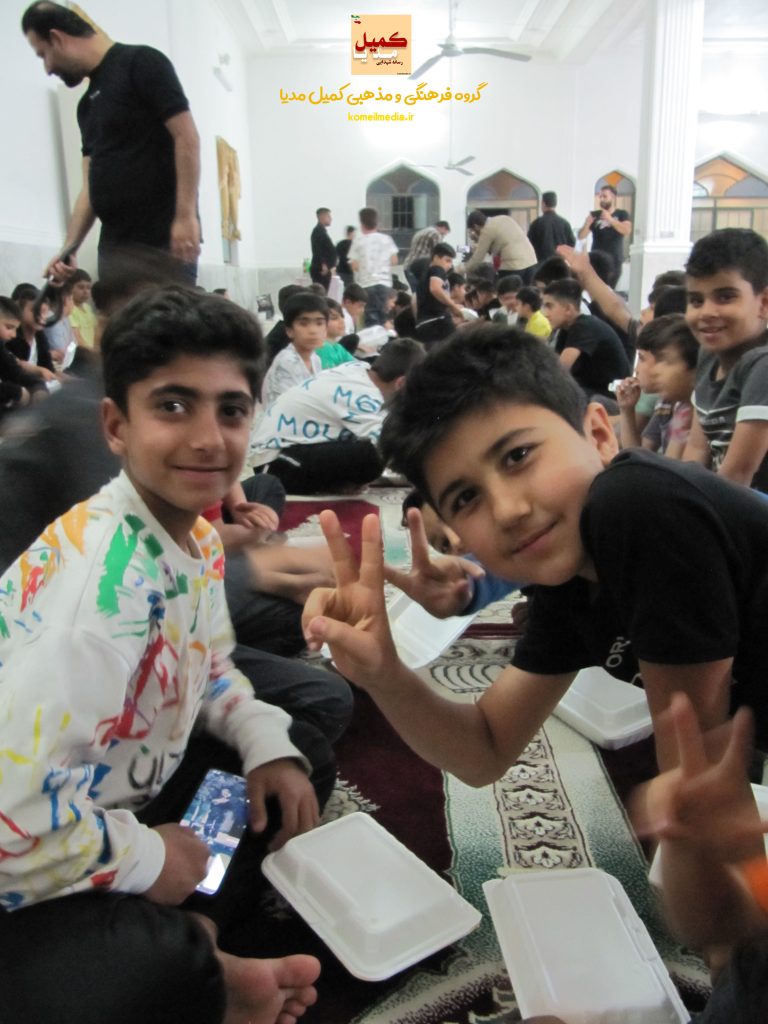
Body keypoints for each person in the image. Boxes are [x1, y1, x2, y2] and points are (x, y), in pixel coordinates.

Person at [0, 286, 322, 1024]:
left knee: (291, 760)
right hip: (23, 847)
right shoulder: (90, 613)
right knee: (138, 970)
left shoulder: (195, 538)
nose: (209, 439)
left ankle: (197, 935)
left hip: (109, 800)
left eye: (231, 410)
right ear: (116, 425)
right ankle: (191, 953)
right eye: (173, 406)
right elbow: (10, 825)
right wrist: (150, 858)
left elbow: (210, 670)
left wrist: (263, 743)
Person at [303, 324, 768, 804]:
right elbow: (484, 750)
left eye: (518, 456)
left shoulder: (638, 504)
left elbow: (700, 790)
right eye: (466, 498)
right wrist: (385, 675)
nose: (507, 511)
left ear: (599, 434)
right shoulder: (570, 581)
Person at [22, 1, 201, 281]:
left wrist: (185, 216)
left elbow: (186, 137)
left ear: (57, 38)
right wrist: (70, 246)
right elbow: (90, 188)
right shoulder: (85, 107)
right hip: (115, 250)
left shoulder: (141, 63)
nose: (47, 68)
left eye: (43, 54)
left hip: (162, 243)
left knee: (168, 312)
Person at [249, 337, 425, 493]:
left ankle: (331, 484)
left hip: (287, 449)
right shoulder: (364, 396)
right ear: (401, 383)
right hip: (273, 463)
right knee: (372, 458)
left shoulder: (358, 369)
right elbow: (391, 447)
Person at [681, 228, 768, 491]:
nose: (707, 312)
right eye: (696, 301)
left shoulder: (763, 365)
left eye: (725, 297)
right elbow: (696, 449)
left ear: (764, 303)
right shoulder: (708, 355)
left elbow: (738, 475)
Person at [615, 314, 697, 456]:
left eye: (642, 358)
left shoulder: (691, 410)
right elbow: (640, 456)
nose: (636, 369)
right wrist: (627, 410)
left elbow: (669, 465)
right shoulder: (668, 404)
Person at [542, 279, 630, 398]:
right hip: (591, 390)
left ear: (568, 309)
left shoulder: (584, 327)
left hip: (611, 396)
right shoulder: (565, 330)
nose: (545, 314)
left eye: (549, 306)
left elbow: (559, 370)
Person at [261, 293, 325, 407]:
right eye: (304, 324)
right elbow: (293, 407)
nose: (313, 330)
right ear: (289, 331)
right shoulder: (287, 361)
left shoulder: (315, 359)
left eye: (319, 323)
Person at [348, 207, 399, 328]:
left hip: (366, 284)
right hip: (384, 283)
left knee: (370, 318)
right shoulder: (386, 239)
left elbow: (354, 265)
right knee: (384, 317)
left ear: (361, 224)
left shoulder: (358, 241)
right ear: (377, 222)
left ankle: (373, 338)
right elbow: (394, 260)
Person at [464, 211, 537, 282]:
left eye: (473, 230)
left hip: (513, 265)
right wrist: (479, 240)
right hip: (531, 261)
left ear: (476, 226)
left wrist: (462, 270)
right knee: (528, 289)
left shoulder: (486, 230)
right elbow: (500, 243)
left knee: (505, 289)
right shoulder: (504, 218)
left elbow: (478, 258)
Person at [577, 184, 632, 278]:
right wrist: (587, 224)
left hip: (614, 259)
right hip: (596, 259)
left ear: (613, 197)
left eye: (605, 196)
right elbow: (581, 236)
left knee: (609, 285)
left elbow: (626, 230)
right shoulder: (595, 215)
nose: (602, 199)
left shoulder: (622, 214)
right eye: (600, 196)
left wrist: (610, 219)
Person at [414, 242, 462, 345]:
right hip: (437, 321)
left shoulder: (425, 274)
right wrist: (453, 306)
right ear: (436, 257)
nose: (449, 265)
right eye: (447, 260)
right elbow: (435, 289)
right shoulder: (437, 269)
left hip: (424, 323)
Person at [527, 192, 575, 264]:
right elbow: (572, 243)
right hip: (560, 263)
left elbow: (529, 245)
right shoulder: (565, 223)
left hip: (542, 265)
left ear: (543, 203)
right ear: (555, 204)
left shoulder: (537, 223)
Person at [403, 220, 450, 293]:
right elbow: (439, 251)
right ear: (443, 228)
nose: (443, 237)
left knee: (415, 293)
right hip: (421, 268)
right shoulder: (436, 233)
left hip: (408, 265)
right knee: (423, 294)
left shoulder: (421, 232)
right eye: (443, 234)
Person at [309, 208, 337, 293]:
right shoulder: (318, 231)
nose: (331, 218)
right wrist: (323, 264)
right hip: (321, 269)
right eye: (328, 216)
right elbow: (317, 249)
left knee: (323, 294)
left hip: (325, 268)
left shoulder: (322, 231)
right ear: (322, 217)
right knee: (320, 294)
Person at [68, 268, 97, 347]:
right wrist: (91, 352)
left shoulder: (87, 307)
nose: (86, 292)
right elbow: (77, 338)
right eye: (81, 287)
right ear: (70, 288)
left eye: (88, 288)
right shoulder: (69, 309)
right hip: (83, 352)